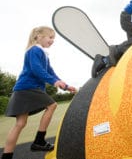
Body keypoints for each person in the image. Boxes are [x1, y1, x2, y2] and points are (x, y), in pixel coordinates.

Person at [1, 26, 76, 159]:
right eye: (50, 37)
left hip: (23, 89)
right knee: (52, 105)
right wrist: (54, 82)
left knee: (20, 124)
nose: (52, 40)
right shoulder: (34, 50)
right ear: (39, 37)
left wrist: (65, 86)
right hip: (28, 88)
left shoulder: (43, 53)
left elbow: (50, 72)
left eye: (54, 38)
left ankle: (6, 156)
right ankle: (39, 141)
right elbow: (37, 70)